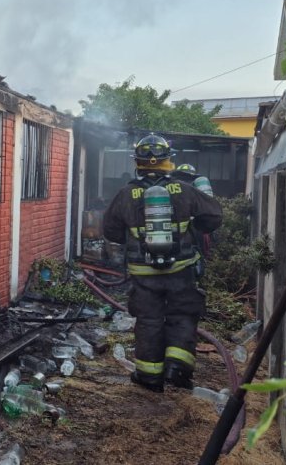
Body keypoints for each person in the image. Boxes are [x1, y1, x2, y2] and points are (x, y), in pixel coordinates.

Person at [103, 134, 222, 392]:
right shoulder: (184, 189)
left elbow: (110, 231)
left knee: (149, 319)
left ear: (137, 161)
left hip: (143, 272)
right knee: (182, 314)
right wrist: (194, 229)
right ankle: (177, 370)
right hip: (181, 268)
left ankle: (149, 376)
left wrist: (133, 236)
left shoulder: (126, 193)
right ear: (168, 160)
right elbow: (214, 216)